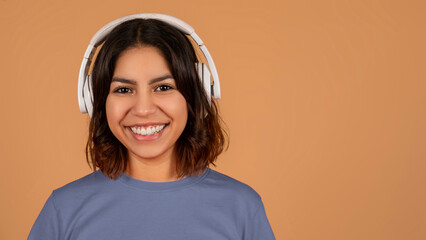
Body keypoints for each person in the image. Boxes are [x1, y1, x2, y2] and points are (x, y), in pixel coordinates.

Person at [28, 13, 275, 239]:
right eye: (123, 89)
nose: (143, 109)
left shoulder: (241, 207)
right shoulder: (63, 209)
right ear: (95, 101)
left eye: (163, 87)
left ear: (197, 93)